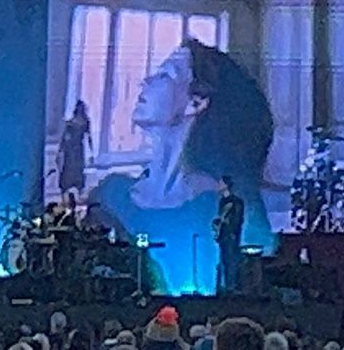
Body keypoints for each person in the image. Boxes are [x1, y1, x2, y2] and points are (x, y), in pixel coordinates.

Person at [87, 38, 274, 292]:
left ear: (196, 102)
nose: (146, 82)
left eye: (164, 75)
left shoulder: (223, 206)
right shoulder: (110, 193)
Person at [212, 175, 245, 295]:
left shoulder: (236, 202)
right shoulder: (222, 202)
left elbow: (236, 221)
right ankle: (225, 287)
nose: (218, 186)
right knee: (224, 261)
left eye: (220, 183)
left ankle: (232, 287)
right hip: (223, 237)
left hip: (231, 237)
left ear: (226, 185)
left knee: (230, 261)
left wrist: (227, 227)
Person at [57, 100, 92, 194]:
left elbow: (89, 136)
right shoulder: (70, 123)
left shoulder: (86, 122)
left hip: (78, 148)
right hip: (70, 148)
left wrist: (91, 152)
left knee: (78, 167)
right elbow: (64, 137)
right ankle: (65, 188)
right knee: (69, 167)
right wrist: (60, 149)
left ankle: (78, 187)